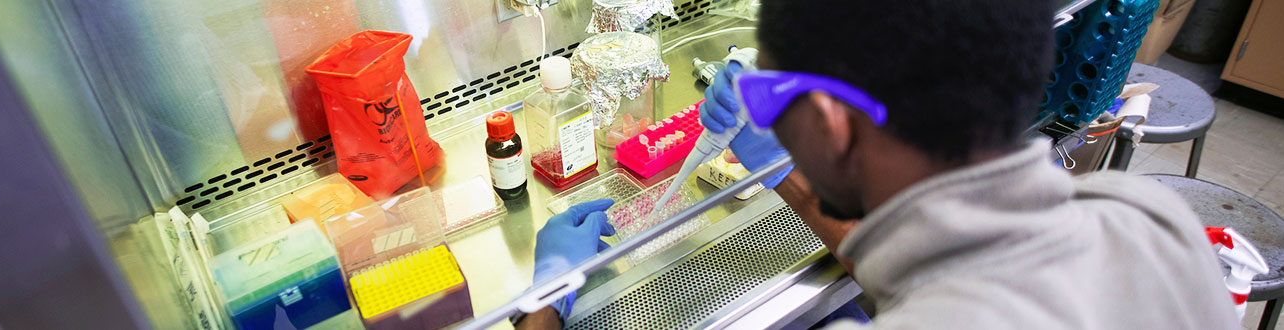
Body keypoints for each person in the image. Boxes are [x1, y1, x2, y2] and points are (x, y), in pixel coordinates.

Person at [518, 0, 1240, 328]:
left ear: (833, 124)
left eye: (771, 92)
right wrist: (782, 170)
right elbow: (928, 258)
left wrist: (545, 305)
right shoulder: (1156, 224)